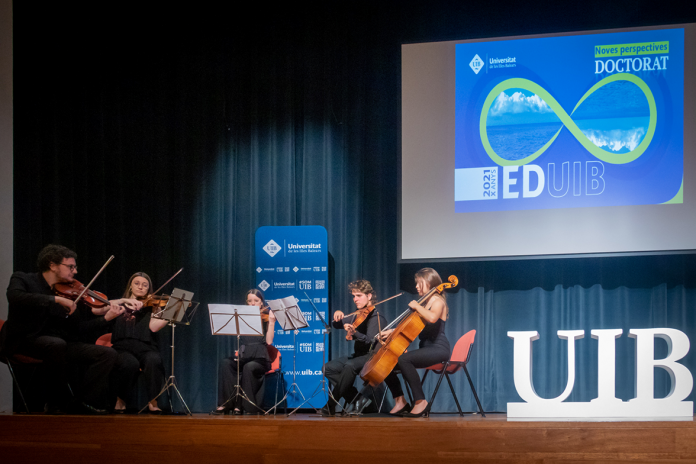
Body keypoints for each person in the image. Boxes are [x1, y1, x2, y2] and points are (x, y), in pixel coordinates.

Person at [0, 244, 142, 414]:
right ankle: (56, 403)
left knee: (107, 354)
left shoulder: (69, 292)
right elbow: (15, 297)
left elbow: (79, 329)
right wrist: (55, 300)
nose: (75, 271)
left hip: (58, 344)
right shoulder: (23, 279)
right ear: (52, 265)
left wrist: (106, 318)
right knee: (56, 344)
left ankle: (81, 402)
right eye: (70, 266)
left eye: (75, 267)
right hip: (23, 341)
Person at [382, 268, 450, 417]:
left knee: (404, 359)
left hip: (438, 348)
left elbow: (432, 318)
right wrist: (392, 332)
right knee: (388, 362)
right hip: (426, 348)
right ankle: (400, 401)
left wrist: (417, 307)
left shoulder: (437, 300)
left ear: (430, 283)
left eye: (420, 283)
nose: (417, 287)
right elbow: (411, 326)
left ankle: (420, 402)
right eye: (416, 284)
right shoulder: (425, 303)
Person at [321, 280, 387, 416]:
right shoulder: (358, 314)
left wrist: (355, 332)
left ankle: (331, 404)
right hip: (358, 355)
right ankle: (359, 400)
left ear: (369, 296)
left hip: (372, 356)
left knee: (349, 366)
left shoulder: (376, 317)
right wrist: (338, 316)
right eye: (353, 296)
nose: (355, 299)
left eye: (359, 295)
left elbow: (369, 340)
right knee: (327, 368)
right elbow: (337, 325)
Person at [110, 272, 168, 414]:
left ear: (148, 289)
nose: (140, 287)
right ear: (130, 286)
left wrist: (169, 315)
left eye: (145, 285)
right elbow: (99, 308)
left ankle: (153, 402)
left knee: (154, 359)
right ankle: (120, 401)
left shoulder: (152, 306)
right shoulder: (119, 303)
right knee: (130, 363)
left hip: (145, 347)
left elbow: (153, 328)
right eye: (137, 283)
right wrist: (122, 300)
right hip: (122, 347)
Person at [212, 289, 276, 415]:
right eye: (250, 301)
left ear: (262, 303)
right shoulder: (241, 317)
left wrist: (272, 322)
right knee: (226, 363)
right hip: (245, 355)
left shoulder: (266, 317)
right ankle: (227, 404)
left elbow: (269, 341)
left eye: (256, 301)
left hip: (260, 358)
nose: (252, 303)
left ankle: (247, 406)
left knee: (249, 367)